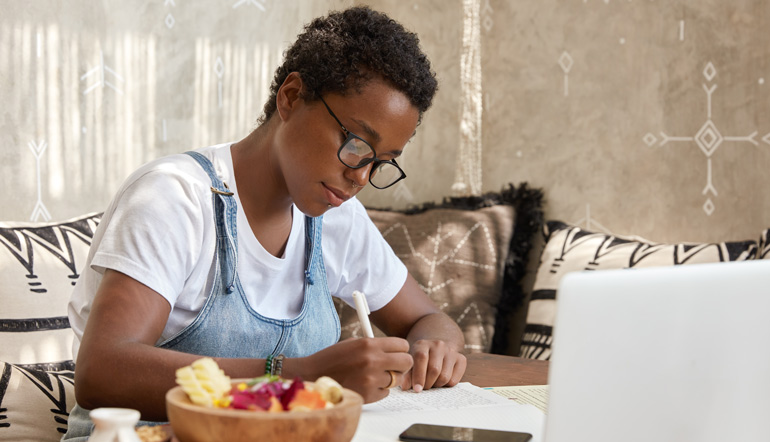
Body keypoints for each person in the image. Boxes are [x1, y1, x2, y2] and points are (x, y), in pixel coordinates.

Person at [63, 5, 466, 439]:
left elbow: (427, 319)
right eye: (355, 144)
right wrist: (299, 376)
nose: (360, 177)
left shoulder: (336, 216)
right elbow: (102, 369)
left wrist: (435, 347)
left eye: (381, 163)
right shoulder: (175, 198)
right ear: (291, 97)